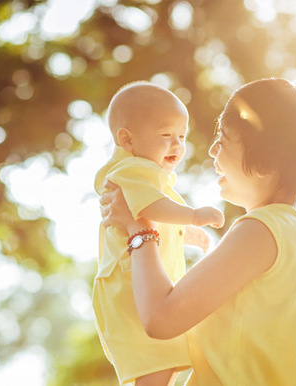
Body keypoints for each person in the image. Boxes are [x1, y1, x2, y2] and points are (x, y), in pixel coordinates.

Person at [100, 78, 296, 385]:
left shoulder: (262, 230)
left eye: (222, 141)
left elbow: (160, 319)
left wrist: (139, 227)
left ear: (263, 163)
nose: (211, 151)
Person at [93, 81, 225, 386]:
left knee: (163, 361)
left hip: (133, 284)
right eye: (166, 135)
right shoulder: (134, 171)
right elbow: (153, 207)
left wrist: (183, 233)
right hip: (130, 286)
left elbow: (152, 213)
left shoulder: (147, 175)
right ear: (126, 139)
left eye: (182, 136)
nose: (177, 145)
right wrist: (192, 216)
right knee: (157, 359)